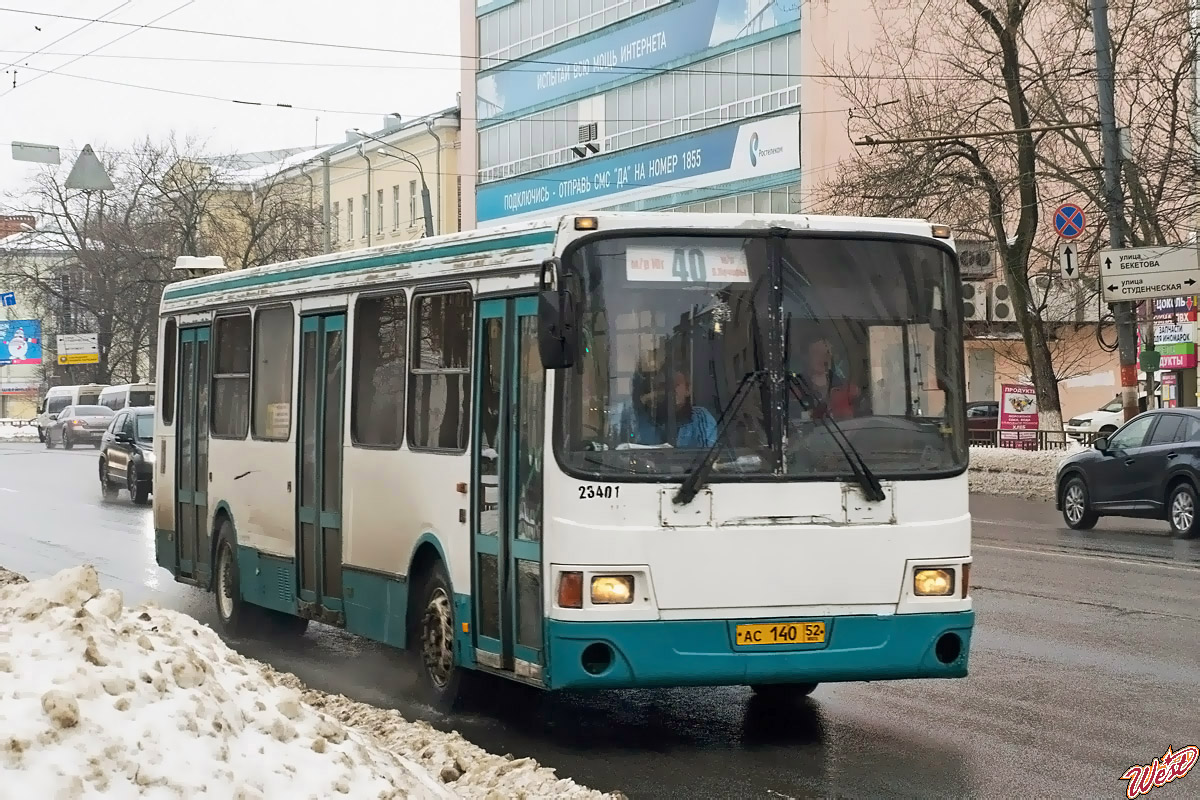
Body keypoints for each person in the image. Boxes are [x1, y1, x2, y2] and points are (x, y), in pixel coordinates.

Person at [616, 369, 717, 448]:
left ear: (688, 389)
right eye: (663, 386)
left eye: (676, 384)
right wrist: (641, 402)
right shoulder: (640, 418)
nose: (670, 390)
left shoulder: (700, 418)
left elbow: (709, 458)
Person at [797, 338, 859, 421]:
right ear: (806, 357)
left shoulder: (849, 390)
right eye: (816, 353)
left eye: (827, 353)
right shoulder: (793, 389)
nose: (823, 358)